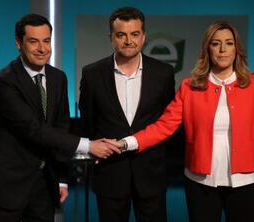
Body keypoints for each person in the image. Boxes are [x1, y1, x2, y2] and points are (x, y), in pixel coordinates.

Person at [107, 20, 254, 222]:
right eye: (216, 44)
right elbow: (163, 126)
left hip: (246, 181)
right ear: (207, 49)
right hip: (200, 182)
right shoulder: (190, 87)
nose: (223, 50)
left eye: (229, 43)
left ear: (237, 49)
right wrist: (126, 143)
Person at [0, 14, 119, 222]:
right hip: (6, 184)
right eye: (33, 41)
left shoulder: (58, 77)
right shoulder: (3, 82)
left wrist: (62, 179)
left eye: (46, 41)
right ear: (18, 43)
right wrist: (87, 146)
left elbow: (61, 127)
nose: (42, 48)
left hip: (44, 184)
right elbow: (34, 129)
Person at [78, 7, 175, 222]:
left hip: (151, 173)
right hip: (110, 173)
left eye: (135, 34)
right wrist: (93, 149)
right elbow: (88, 122)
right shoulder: (92, 74)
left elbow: (168, 122)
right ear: (111, 38)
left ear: (144, 36)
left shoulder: (164, 73)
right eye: (121, 35)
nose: (128, 41)